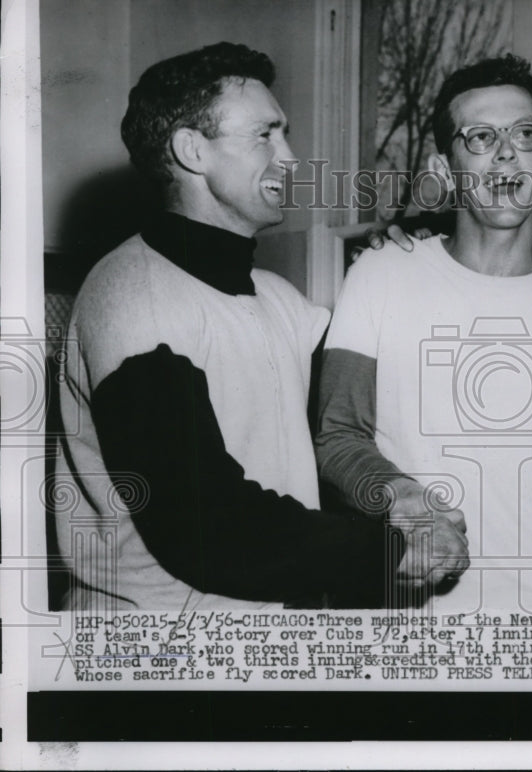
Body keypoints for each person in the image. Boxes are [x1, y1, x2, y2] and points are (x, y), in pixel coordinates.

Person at [54, 42, 467, 610]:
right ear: (192, 150)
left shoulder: (279, 300)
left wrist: (433, 256)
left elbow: (360, 407)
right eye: (265, 135)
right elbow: (210, 528)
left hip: (253, 631)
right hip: (153, 649)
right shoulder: (131, 298)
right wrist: (392, 551)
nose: (291, 159)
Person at [315, 55, 532, 613]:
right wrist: (404, 501)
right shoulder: (382, 274)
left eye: (524, 134)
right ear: (444, 168)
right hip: (429, 621)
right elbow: (337, 436)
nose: (506, 153)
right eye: (480, 137)